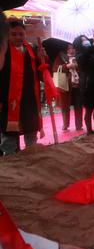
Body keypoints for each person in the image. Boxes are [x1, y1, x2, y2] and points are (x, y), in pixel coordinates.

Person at [0, 20, 44, 155]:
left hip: (29, 99)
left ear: (25, 34)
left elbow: (40, 73)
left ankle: (32, 159)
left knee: (31, 132)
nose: (18, 37)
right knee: (9, 136)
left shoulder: (32, 50)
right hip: (8, 100)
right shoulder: (3, 52)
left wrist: (43, 60)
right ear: (8, 35)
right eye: (14, 34)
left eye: (21, 34)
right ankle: (10, 164)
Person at [76, 35, 94, 134]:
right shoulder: (79, 55)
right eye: (83, 40)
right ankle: (89, 130)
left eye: (86, 39)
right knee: (89, 110)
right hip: (87, 87)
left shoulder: (93, 52)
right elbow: (86, 54)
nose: (86, 41)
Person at [53, 43, 82, 131]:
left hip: (77, 85)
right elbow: (55, 68)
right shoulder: (61, 56)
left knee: (78, 105)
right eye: (69, 48)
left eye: (73, 48)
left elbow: (85, 67)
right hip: (65, 85)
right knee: (65, 106)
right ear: (66, 49)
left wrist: (77, 66)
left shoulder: (79, 57)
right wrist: (67, 66)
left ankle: (79, 125)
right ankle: (65, 124)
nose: (72, 50)